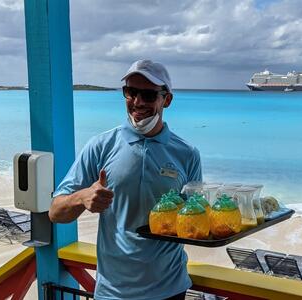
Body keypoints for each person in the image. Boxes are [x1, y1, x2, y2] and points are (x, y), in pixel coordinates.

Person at [49, 59, 202, 300]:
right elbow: (55, 212)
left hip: (170, 289)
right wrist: (82, 197)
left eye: (149, 95)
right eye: (131, 92)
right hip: (113, 292)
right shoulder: (101, 146)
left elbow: (195, 217)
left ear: (167, 100)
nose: (138, 102)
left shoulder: (187, 154)